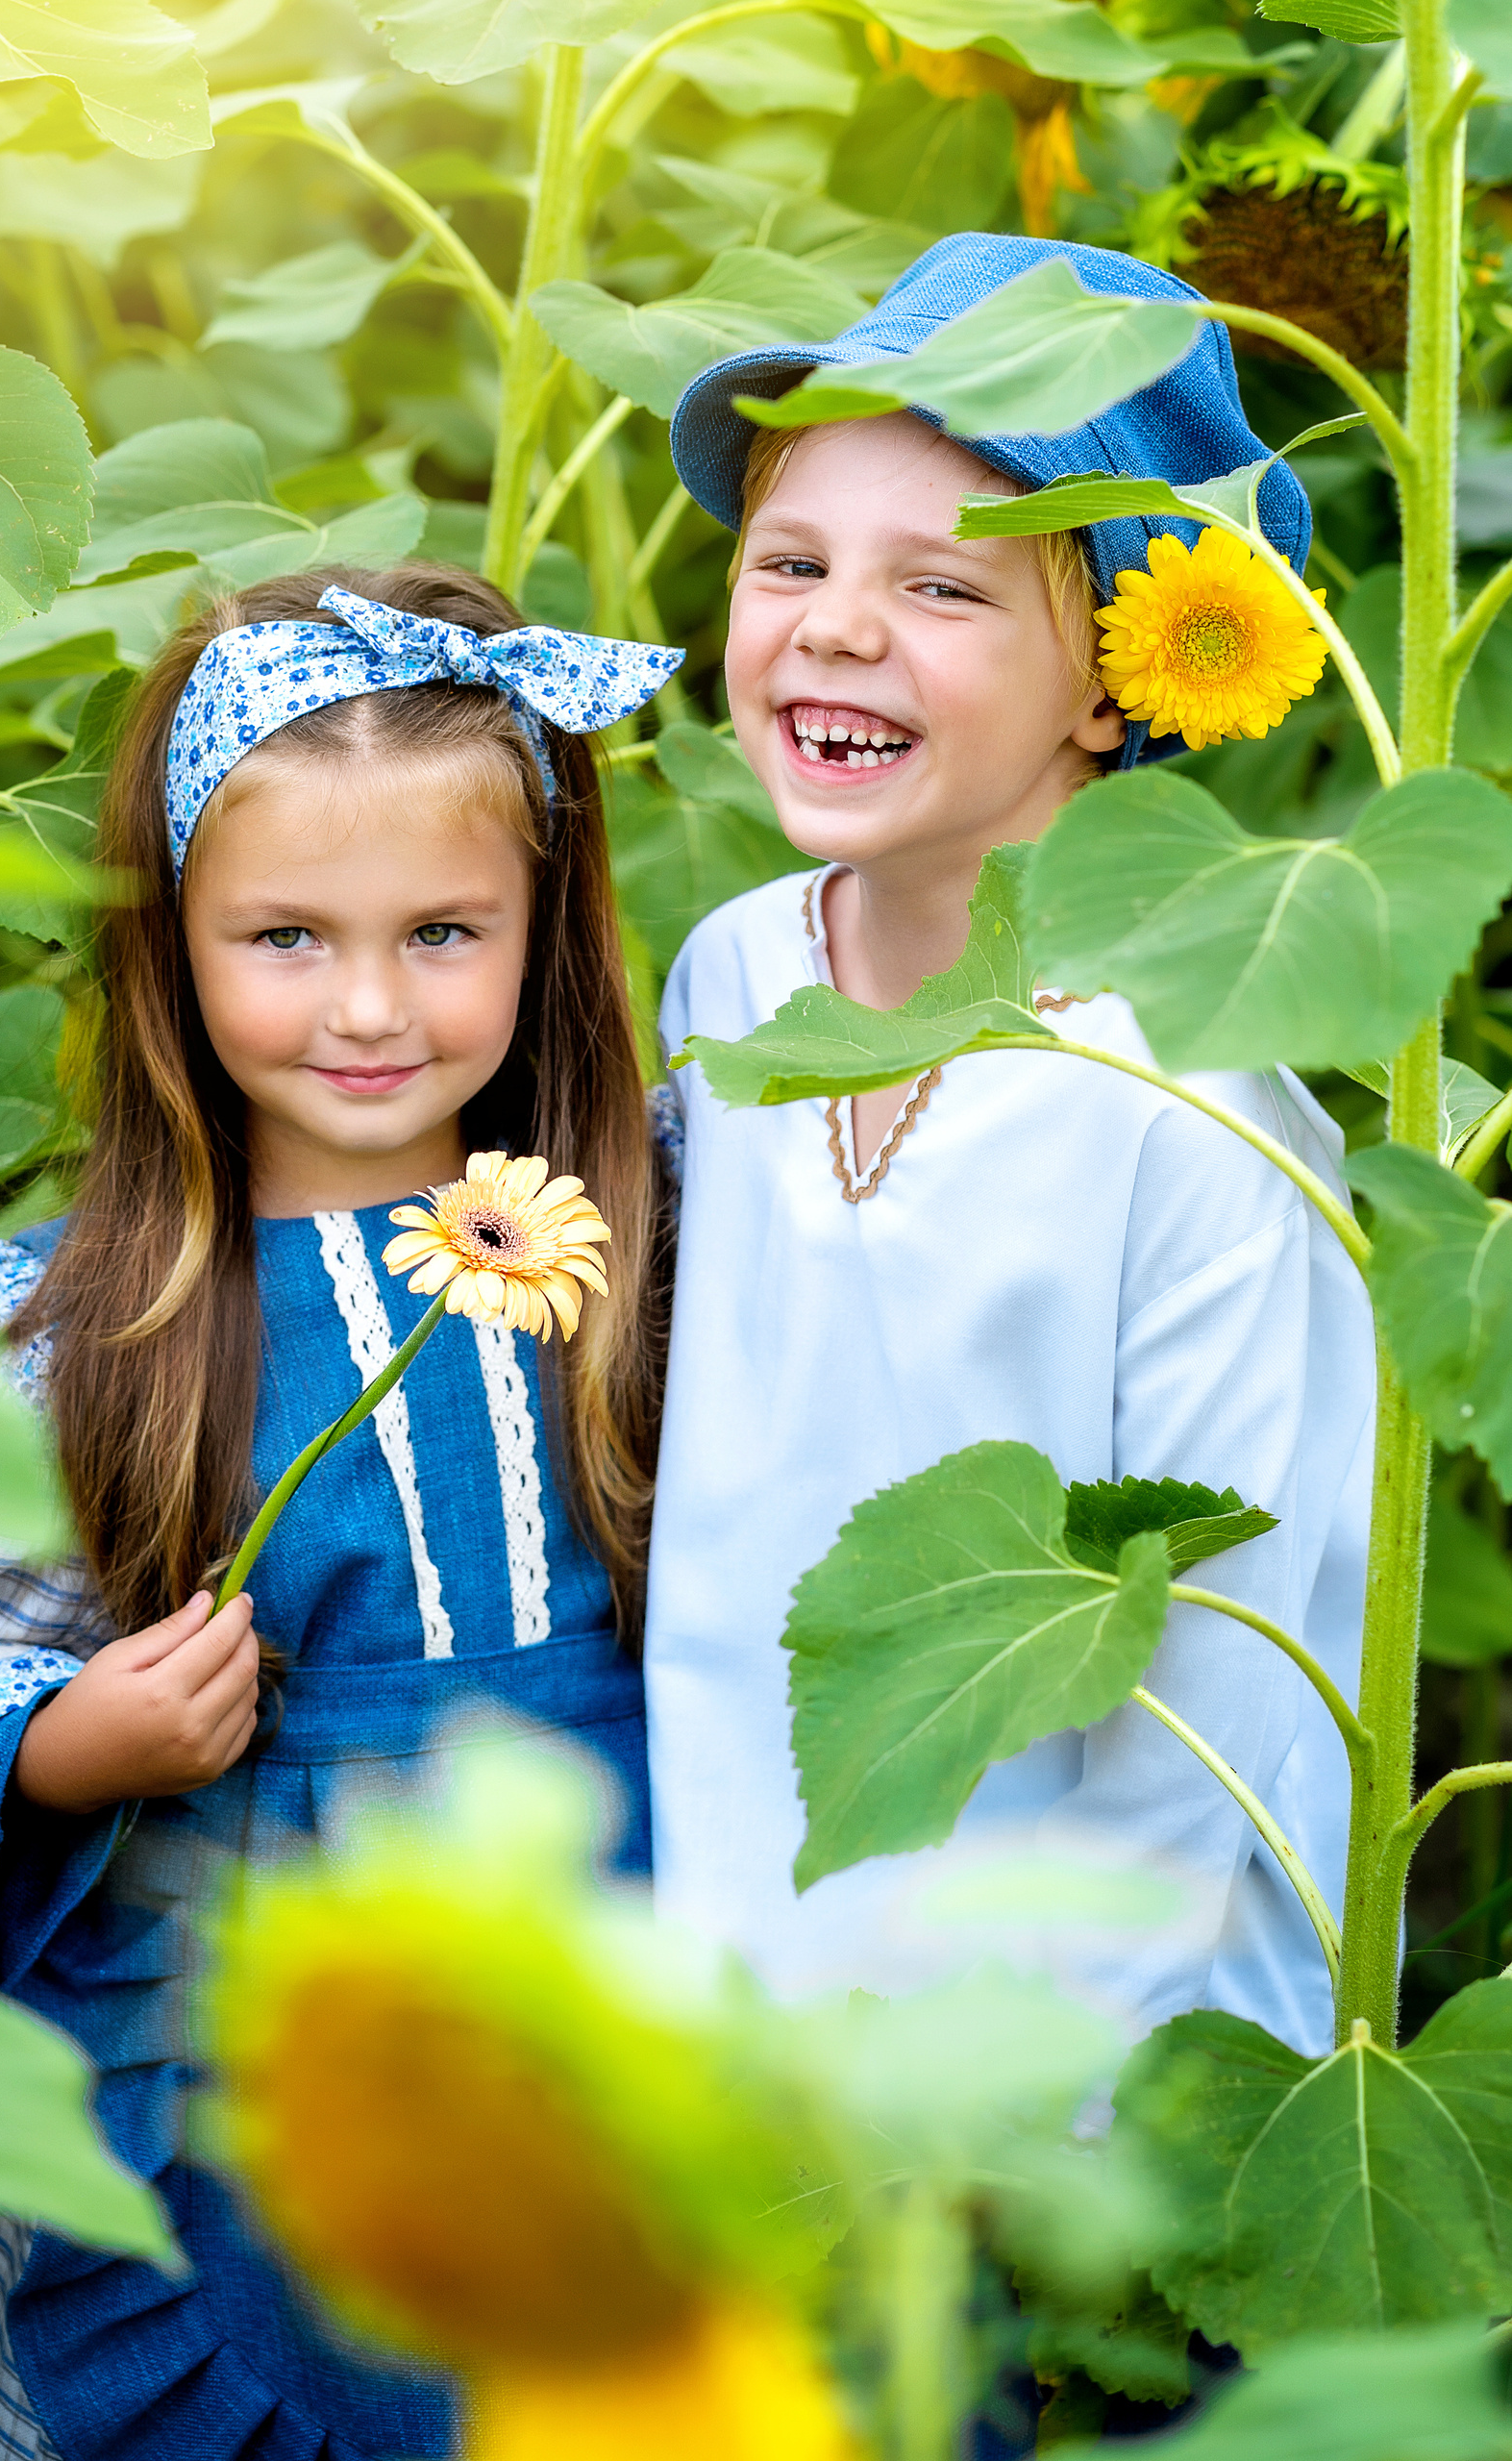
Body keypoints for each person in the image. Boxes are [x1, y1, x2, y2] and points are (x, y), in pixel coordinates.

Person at [0, 564, 682, 2461]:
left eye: (442, 929)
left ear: (540, 929)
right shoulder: (67, 1324)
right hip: (249, 2021)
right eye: (285, 934)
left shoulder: (651, 1236)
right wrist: (66, 1739)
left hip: (612, 1976)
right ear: (169, 945)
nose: (368, 1004)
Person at [644, 233, 1375, 2056]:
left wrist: (1007, 2120)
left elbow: (1212, 1695)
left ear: (1118, 678)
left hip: (1070, 2078)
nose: (830, 625)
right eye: (788, 562)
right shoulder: (733, 971)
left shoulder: (1195, 1107)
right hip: (733, 1989)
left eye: (946, 590)